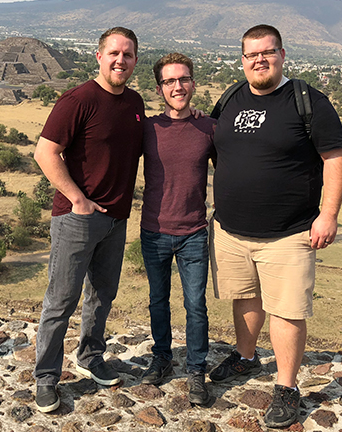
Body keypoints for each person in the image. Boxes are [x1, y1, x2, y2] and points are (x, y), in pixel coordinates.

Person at [209, 24, 342, 428]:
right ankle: (246, 357)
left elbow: (336, 158)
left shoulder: (308, 101)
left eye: (267, 52)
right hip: (232, 230)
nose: (259, 60)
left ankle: (287, 387)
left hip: (289, 232)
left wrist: (328, 213)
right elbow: (223, 150)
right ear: (242, 59)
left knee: (287, 312)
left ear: (282, 54)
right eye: (251, 54)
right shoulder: (231, 98)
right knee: (245, 299)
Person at [33, 27, 144, 413]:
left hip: (116, 219)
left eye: (128, 54)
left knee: (102, 296)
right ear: (99, 56)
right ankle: (46, 377)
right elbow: (45, 152)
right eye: (114, 53)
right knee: (61, 300)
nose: (120, 60)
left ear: (134, 60)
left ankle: (90, 356)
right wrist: (76, 197)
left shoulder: (134, 101)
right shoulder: (78, 99)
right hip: (77, 219)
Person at [140, 53, 216, 405]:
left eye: (183, 79)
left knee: (195, 305)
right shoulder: (149, 128)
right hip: (154, 229)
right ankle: (162, 358)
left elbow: (234, 167)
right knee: (158, 301)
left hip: (194, 232)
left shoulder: (208, 127)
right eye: (169, 81)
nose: (177, 86)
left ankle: (197, 370)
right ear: (159, 89)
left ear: (193, 83)